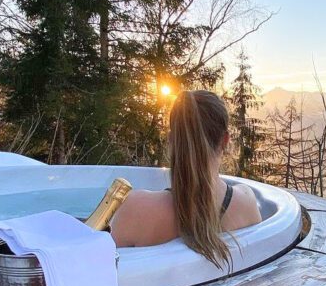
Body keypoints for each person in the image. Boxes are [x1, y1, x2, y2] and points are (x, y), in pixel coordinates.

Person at [110, 90, 261, 265]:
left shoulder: (135, 209)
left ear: (171, 140)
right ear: (225, 141)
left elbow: (97, 271)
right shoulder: (246, 204)